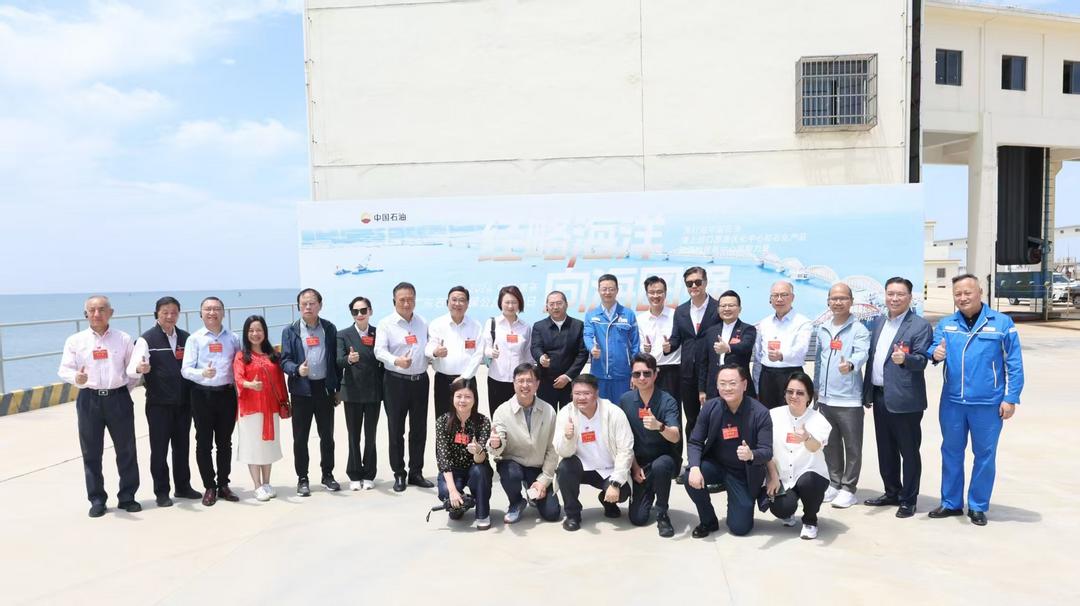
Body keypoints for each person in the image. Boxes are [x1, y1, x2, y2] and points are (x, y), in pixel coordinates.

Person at [927, 273, 1024, 526]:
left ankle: (978, 506)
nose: (962, 298)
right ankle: (951, 503)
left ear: (980, 292)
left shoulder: (1002, 323)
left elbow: (1014, 363)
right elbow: (933, 348)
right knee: (951, 452)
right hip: (953, 403)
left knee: (984, 455)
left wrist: (1011, 398)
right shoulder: (947, 323)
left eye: (967, 292)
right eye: (957, 294)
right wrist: (935, 353)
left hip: (988, 403)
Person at [59, 295, 140, 517]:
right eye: (92, 310)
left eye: (102, 309)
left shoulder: (123, 338)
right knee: (91, 452)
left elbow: (132, 370)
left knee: (126, 449)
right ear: (86, 314)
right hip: (89, 399)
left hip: (118, 399)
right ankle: (97, 499)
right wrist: (77, 378)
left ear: (111, 313)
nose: (97, 314)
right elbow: (64, 369)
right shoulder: (75, 341)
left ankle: (127, 496)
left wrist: (121, 390)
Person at [862, 277, 933, 518]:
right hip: (880, 396)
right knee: (886, 449)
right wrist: (867, 392)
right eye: (890, 294)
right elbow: (873, 359)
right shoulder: (879, 322)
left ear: (910, 298)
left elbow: (922, 360)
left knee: (909, 452)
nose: (894, 298)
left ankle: (908, 499)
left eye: (900, 294)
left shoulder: (919, 325)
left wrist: (906, 360)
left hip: (905, 400)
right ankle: (891, 491)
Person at [126, 296, 200, 507]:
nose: (170, 316)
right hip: (159, 404)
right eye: (165, 312)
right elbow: (131, 369)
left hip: (184, 403)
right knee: (159, 450)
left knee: (182, 447)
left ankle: (183, 486)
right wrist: (140, 369)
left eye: (174, 312)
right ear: (156, 314)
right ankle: (161, 491)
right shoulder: (146, 340)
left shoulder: (186, 338)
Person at [685, 363, 772, 538]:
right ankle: (708, 520)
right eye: (722, 383)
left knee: (740, 528)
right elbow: (695, 441)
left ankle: (736, 499)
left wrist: (752, 454)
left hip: (742, 473)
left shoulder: (760, 413)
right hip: (716, 465)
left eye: (733, 383)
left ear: (744, 385)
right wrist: (694, 467)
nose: (727, 388)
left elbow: (767, 451)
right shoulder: (710, 407)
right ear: (717, 386)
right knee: (690, 476)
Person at [813, 282, 870, 509]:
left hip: (849, 398)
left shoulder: (859, 329)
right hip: (825, 398)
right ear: (828, 301)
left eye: (843, 298)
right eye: (834, 298)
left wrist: (851, 365)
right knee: (830, 444)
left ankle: (848, 488)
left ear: (851, 301)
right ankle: (834, 483)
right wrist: (816, 388)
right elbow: (819, 361)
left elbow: (862, 353)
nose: (838, 302)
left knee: (852, 446)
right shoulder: (823, 328)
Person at [374, 282, 435, 492]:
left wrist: (435, 353)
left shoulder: (423, 322)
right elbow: (379, 351)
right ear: (394, 301)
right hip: (395, 382)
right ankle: (399, 473)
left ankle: (416, 472)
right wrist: (396, 360)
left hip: (420, 381)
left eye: (410, 299)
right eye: (402, 300)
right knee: (396, 430)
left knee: (419, 429)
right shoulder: (386, 323)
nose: (407, 303)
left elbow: (428, 346)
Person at [181, 296, 242, 506]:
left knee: (225, 442)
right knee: (204, 442)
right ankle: (209, 486)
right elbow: (186, 370)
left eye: (216, 309)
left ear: (223, 313)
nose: (212, 312)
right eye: (207, 309)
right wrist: (202, 373)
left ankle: (223, 484)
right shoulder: (195, 339)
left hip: (226, 394)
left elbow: (240, 366)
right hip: (202, 395)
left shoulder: (233, 338)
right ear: (201, 314)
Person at [553, 374, 634, 531]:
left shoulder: (613, 413)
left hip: (608, 469)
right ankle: (573, 515)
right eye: (577, 393)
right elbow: (561, 451)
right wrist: (567, 437)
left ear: (596, 393)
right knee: (564, 468)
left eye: (586, 393)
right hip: (581, 468)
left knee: (623, 491)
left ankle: (607, 500)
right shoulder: (566, 413)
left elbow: (626, 450)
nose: (581, 398)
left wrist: (615, 483)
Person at [280, 288, 341, 496]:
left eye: (312, 303)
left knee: (327, 436)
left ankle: (327, 475)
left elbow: (335, 361)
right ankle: (303, 478)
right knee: (300, 438)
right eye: (304, 303)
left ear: (320, 305)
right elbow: (284, 360)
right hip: (301, 391)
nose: (308, 307)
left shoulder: (329, 328)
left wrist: (337, 388)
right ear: (299, 306)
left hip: (324, 389)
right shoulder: (290, 331)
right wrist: (297, 369)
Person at [487, 363, 561, 524]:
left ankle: (532, 490)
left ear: (537, 384)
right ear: (514, 383)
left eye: (529, 381)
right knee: (511, 474)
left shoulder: (549, 411)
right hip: (514, 464)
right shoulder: (502, 411)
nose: (525, 385)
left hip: (538, 466)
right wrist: (495, 444)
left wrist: (543, 481)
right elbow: (497, 446)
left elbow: (553, 449)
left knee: (552, 513)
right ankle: (516, 502)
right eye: (520, 381)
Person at [617, 354, 680, 538]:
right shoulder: (625, 400)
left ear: (655, 374)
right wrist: (634, 467)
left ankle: (662, 514)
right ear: (631, 376)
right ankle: (648, 490)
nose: (642, 378)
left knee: (661, 466)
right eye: (637, 374)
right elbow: (622, 439)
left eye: (646, 373)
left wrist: (659, 426)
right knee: (638, 518)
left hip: (663, 460)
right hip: (639, 464)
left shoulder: (667, 400)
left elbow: (675, 436)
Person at [765, 373, 832, 540]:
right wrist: (772, 476)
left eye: (800, 393)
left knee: (809, 482)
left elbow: (815, 447)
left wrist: (807, 437)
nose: (794, 396)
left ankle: (810, 521)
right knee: (781, 508)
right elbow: (766, 449)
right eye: (790, 391)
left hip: (810, 475)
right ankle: (789, 510)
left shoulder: (818, 419)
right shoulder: (772, 415)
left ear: (809, 396)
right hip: (783, 476)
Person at [667, 267, 720, 461]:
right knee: (692, 420)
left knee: (715, 418)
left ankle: (714, 462)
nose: (694, 286)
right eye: (689, 283)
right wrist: (667, 346)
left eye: (698, 282)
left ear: (705, 282)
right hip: (688, 373)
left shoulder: (718, 307)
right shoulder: (681, 311)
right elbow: (676, 339)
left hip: (713, 372)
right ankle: (693, 462)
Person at [233, 315, 287, 502]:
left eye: (259, 330)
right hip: (250, 409)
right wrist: (250, 384)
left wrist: (284, 402)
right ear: (246, 333)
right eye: (251, 330)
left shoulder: (274, 356)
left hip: (270, 408)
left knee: (267, 446)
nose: (255, 334)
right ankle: (257, 485)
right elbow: (238, 378)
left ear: (265, 332)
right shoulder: (241, 356)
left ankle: (267, 483)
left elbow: (280, 381)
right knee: (253, 447)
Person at [337, 296, 384, 491]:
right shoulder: (343, 334)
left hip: (373, 391)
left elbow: (384, 357)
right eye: (355, 311)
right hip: (352, 391)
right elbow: (338, 360)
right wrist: (349, 359)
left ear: (370, 311)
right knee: (353, 435)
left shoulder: (378, 333)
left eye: (363, 310)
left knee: (370, 434)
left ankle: (369, 473)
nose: (360, 314)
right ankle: (354, 474)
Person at [435, 382, 493, 530]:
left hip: (475, 467)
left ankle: (482, 513)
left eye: (467, 396)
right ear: (452, 398)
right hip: (453, 470)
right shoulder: (442, 421)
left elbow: (481, 459)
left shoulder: (483, 421)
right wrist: (453, 491)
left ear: (474, 399)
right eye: (459, 396)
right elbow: (443, 457)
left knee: (480, 471)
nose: (462, 400)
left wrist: (478, 450)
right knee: (447, 494)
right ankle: (462, 502)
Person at [753, 280, 812, 409]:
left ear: (792, 297)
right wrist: (756, 384)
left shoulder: (803, 322)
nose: (779, 299)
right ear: (770, 299)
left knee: (792, 414)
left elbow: (801, 349)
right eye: (775, 295)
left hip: (791, 375)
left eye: (784, 295)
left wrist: (781, 355)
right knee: (768, 416)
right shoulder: (764, 323)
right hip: (766, 376)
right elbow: (758, 355)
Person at [425, 286, 482, 420]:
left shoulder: (475, 326)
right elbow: (428, 347)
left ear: (467, 304)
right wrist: (435, 352)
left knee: (469, 421)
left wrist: (464, 377)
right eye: (454, 300)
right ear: (447, 303)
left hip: (467, 381)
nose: (457, 303)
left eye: (462, 300)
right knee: (443, 420)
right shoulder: (437, 324)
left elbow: (478, 354)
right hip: (443, 381)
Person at [583, 274, 640, 401]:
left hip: (623, 375)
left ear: (617, 290)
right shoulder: (591, 315)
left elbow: (635, 346)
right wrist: (592, 348)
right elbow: (588, 335)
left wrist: (635, 373)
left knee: (623, 410)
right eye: (604, 289)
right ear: (599, 291)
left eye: (611, 289)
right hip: (599, 374)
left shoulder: (628, 314)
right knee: (600, 410)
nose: (607, 292)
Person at [482, 285, 534, 417]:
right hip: (496, 378)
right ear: (500, 303)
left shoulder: (525, 327)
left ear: (519, 303)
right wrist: (491, 353)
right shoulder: (492, 323)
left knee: (519, 417)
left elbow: (528, 355)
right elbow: (485, 348)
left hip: (519, 381)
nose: (510, 306)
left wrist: (529, 376)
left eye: (514, 302)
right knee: (497, 416)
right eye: (507, 302)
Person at [531, 290, 588, 409]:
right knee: (546, 417)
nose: (555, 307)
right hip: (546, 382)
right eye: (551, 304)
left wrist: (567, 377)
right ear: (547, 307)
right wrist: (541, 357)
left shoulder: (578, 325)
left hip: (570, 382)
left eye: (559, 303)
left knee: (570, 417)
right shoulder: (539, 326)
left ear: (566, 304)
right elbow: (535, 347)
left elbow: (582, 354)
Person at [698, 290, 757, 401]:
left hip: (738, 385)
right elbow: (704, 362)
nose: (727, 309)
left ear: (739, 309)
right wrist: (702, 389)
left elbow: (746, 346)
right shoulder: (711, 331)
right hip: (714, 388)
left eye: (731, 305)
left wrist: (728, 348)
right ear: (718, 309)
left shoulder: (748, 329)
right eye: (723, 306)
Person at [637, 276, 679, 398]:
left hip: (672, 369)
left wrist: (670, 346)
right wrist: (645, 348)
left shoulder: (676, 315)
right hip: (649, 370)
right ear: (647, 294)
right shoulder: (640, 319)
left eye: (659, 292)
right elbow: (638, 345)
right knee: (649, 406)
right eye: (651, 292)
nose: (655, 296)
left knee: (672, 405)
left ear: (665, 293)